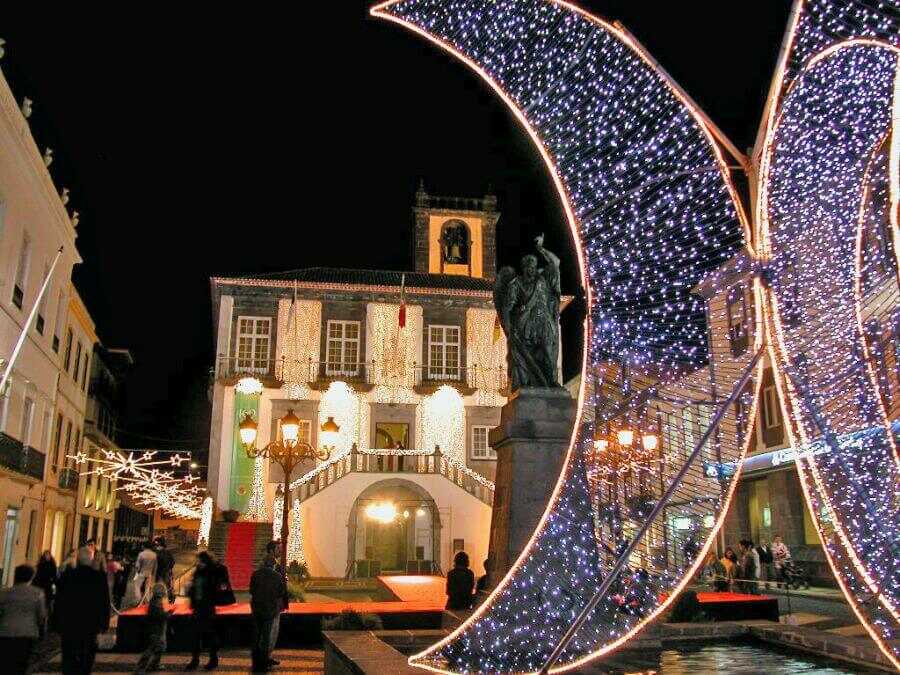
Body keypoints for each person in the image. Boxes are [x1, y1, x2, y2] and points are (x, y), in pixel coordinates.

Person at [54, 546, 110, 675]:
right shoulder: (98, 577)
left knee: (68, 655)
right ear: (91, 560)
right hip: (90, 624)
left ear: (78, 560)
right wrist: (104, 624)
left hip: (69, 623)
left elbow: (59, 600)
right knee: (87, 655)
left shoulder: (68, 575)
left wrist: (56, 622)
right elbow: (104, 602)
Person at [0, 564, 47, 675]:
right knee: (21, 664)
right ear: (31, 577)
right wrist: (42, 630)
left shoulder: (5, 592)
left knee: (5, 663)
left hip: (5, 631)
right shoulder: (37, 593)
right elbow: (41, 615)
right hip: (27, 633)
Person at [186, 551, 225, 670]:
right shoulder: (197, 572)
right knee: (196, 635)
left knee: (209, 634)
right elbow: (194, 588)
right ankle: (195, 659)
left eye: (200, 560)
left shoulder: (211, 573)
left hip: (207, 608)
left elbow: (217, 589)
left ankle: (213, 659)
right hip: (198, 608)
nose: (198, 562)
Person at [249, 555, 287, 672]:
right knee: (266, 638)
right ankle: (264, 663)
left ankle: (255, 663)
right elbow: (281, 593)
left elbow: (251, 590)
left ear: (263, 563)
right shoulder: (277, 576)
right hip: (269, 610)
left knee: (256, 637)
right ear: (273, 565)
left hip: (257, 609)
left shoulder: (255, 574)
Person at [136, 582, 174, 675]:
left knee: (159, 648)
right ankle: (141, 667)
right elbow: (160, 616)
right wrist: (169, 613)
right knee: (152, 649)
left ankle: (155, 664)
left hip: (158, 629)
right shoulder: (156, 603)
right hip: (156, 630)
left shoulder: (156, 601)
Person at [263, 541, 288, 669]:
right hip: (271, 605)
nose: (280, 551)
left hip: (275, 605)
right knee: (269, 632)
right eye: (278, 549)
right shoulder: (269, 564)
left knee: (273, 633)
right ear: (271, 550)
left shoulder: (275, 564)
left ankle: (267, 657)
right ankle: (264, 659)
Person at [133, 541, 158, 605]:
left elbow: (137, 566)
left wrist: (137, 573)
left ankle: (138, 601)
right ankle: (147, 601)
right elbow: (155, 566)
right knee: (147, 588)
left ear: (144, 546)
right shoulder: (154, 555)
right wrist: (153, 575)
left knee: (137, 586)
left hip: (142, 573)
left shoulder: (141, 554)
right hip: (149, 574)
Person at [155, 537, 176, 603]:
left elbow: (156, 562)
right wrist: (170, 568)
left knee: (157, 584)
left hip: (159, 571)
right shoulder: (167, 552)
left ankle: (157, 598)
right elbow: (173, 561)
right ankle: (171, 597)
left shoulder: (157, 552)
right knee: (167, 585)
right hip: (166, 571)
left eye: (156, 542)